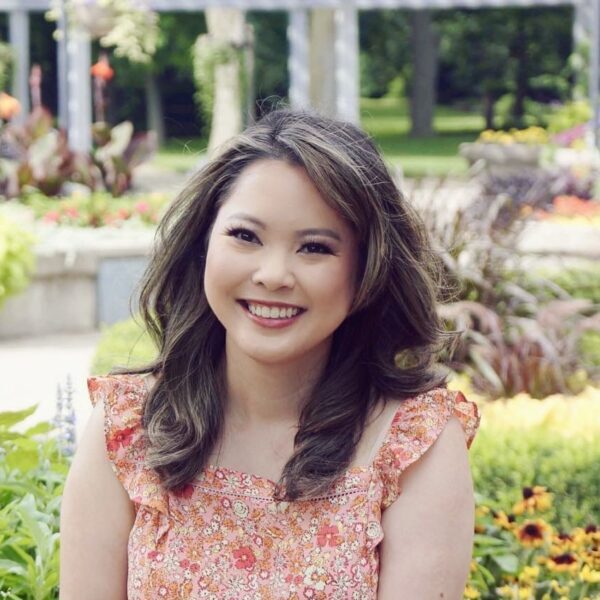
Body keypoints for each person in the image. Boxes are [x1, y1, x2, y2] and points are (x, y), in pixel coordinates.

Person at [60, 109, 480, 599]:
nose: (273, 274)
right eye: (245, 236)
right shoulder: (128, 428)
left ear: (366, 272)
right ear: (203, 246)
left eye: (315, 248)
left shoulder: (413, 445)